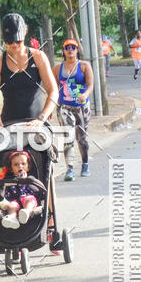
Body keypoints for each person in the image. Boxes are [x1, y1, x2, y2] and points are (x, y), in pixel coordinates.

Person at [0, 12, 63, 252]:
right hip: (10, 125)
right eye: (9, 41)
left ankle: (50, 226)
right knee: (6, 172)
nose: (14, 45)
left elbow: (53, 92)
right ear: (4, 39)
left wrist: (41, 119)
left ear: (25, 35)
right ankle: (8, 228)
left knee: (44, 171)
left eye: (18, 41)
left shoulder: (37, 57)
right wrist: (0, 127)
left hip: (36, 125)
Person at [52, 38, 94, 180]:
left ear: (77, 50)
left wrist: (85, 95)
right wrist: (51, 106)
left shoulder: (84, 66)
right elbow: (52, 89)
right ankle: (69, 169)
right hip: (64, 107)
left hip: (82, 108)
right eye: (67, 47)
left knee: (81, 138)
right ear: (63, 51)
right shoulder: (57, 68)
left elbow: (90, 85)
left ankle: (85, 164)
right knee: (68, 137)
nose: (70, 50)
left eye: (73, 47)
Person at [0, 150, 43, 227]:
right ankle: (12, 218)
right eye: (16, 164)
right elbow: (5, 194)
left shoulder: (31, 179)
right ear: (11, 168)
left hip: (28, 198)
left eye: (23, 164)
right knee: (12, 206)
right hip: (15, 200)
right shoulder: (9, 181)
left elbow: (37, 190)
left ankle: (26, 213)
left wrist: (26, 180)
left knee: (29, 201)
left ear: (28, 167)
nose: (20, 166)